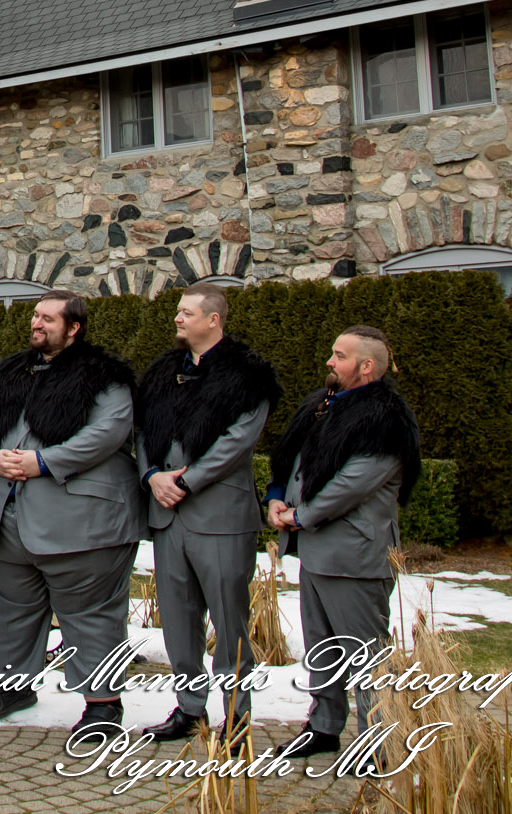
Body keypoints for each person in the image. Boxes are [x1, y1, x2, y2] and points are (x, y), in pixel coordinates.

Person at [0, 290, 142, 736]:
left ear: (74, 327)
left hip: (83, 523)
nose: (36, 324)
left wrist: (43, 462)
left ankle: (103, 702)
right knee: (14, 606)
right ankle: (14, 686)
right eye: (35, 316)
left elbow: (108, 432)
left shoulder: (105, 377)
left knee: (91, 611)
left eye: (47, 318)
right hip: (7, 518)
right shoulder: (10, 372)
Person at [135, 282, 281, 745]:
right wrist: (153, 475)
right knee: (178, 620)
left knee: (229, 620)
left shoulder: (248, 377)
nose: (177, 318)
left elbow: (237, 443)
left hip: (220, 517)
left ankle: (237, 718)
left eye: (186, 312)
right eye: (178, 311)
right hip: (167, 516)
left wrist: (187, 480)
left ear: (213, 319)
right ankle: (189, 708)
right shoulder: (163, 373)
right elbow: (142, 433)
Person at [267, 326, 421, 760]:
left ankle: (379, 744)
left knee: (365, 653)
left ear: (366, 366)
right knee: (322, 648)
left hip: (355, 553)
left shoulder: (385, 421)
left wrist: (300, 515)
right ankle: (324, 727)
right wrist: (276, 498)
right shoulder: (323, 406)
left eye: (339, 355)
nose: (330, 362)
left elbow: (351, 486)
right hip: (316, 551)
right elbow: (293, 462)